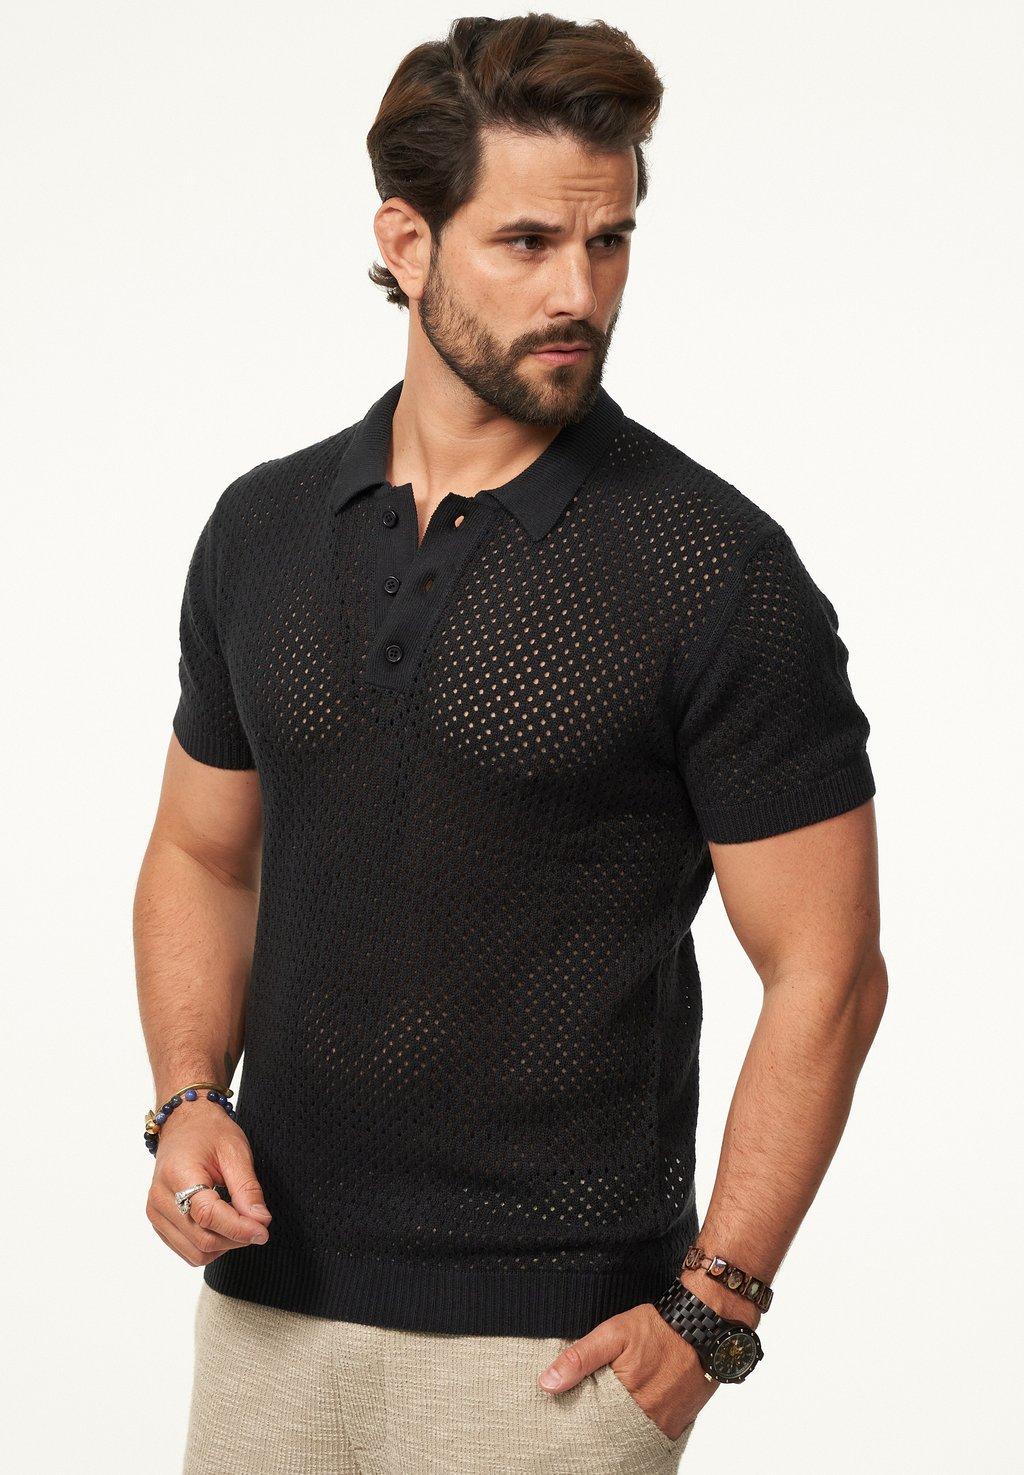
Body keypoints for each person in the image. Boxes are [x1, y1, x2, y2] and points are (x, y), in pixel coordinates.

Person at [134, 15, 887, 1474]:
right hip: (266, 1318)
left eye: (610, 244)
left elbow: (830, 970)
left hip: (551, 1359)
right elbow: (201, 855)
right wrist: (186, 1095)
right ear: (406, 242)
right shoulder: (262, 530)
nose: (579, 292)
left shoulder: (712, 569)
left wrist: (716, 1310)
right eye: (529, 243)